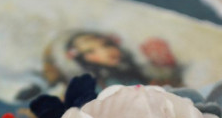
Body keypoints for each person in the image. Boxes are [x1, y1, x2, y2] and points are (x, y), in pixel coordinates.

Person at [42, 30, 182, 89]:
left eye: (107, 45)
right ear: (81, 59)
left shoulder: (129, 70)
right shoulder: (97, 83)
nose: (106, 51)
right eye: (90, 51)